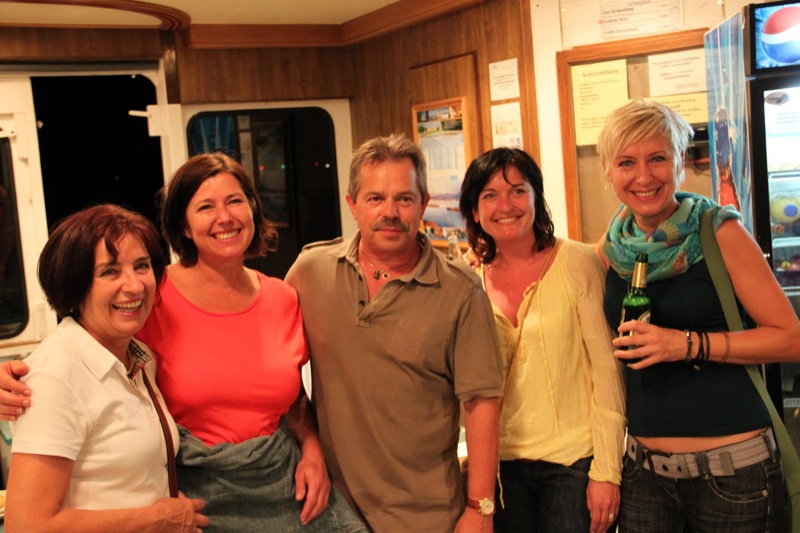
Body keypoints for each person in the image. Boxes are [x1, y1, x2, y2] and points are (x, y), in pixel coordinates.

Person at [1, 153, 366, 532]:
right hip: (198, 492)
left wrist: (312, 448)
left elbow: (294, 396)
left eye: (235, 201)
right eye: (205, 206)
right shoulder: (150, 299)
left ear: (253, 210)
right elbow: (80, 347)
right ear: (183, 225)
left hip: (282, 478)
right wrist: (15, 376)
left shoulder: (282, 298)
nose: (224, 217)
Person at [597, 99, 800, 532]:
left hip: (733, 475)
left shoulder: (719, 231)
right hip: (642, 476)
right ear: (608, 172)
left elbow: (790, 338)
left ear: (680, 162)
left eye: (657, 158)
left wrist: (687, 344)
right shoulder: (612, 249)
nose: (644, 176)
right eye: (627, 162)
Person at [284, 133, 504, 532]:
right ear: (352, 204)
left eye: (404, 198)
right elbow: (277, 374)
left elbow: (482, 403)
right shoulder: (310, 272)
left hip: (425, 517)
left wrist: (480, 508)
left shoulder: (460, 291)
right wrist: (309, 444)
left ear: (423, 203)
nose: (390, 212)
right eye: (375, 198)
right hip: (330, 512)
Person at [5, 204, 208, 532]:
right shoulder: (55, 375)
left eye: (141, 266)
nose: (135, 285)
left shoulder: (140, 358)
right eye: (109, 272)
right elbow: (27, 525)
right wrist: (157, 519)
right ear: (74, 285)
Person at [458, 147, 625, 533]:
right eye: (490, 195)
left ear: (536, 197)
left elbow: (608, 371)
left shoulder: (577, 262)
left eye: (518, 190)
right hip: (501, 469)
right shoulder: (468, 282)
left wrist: (607, 471)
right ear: (475, 211)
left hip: (574, 465)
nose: (506, 205)